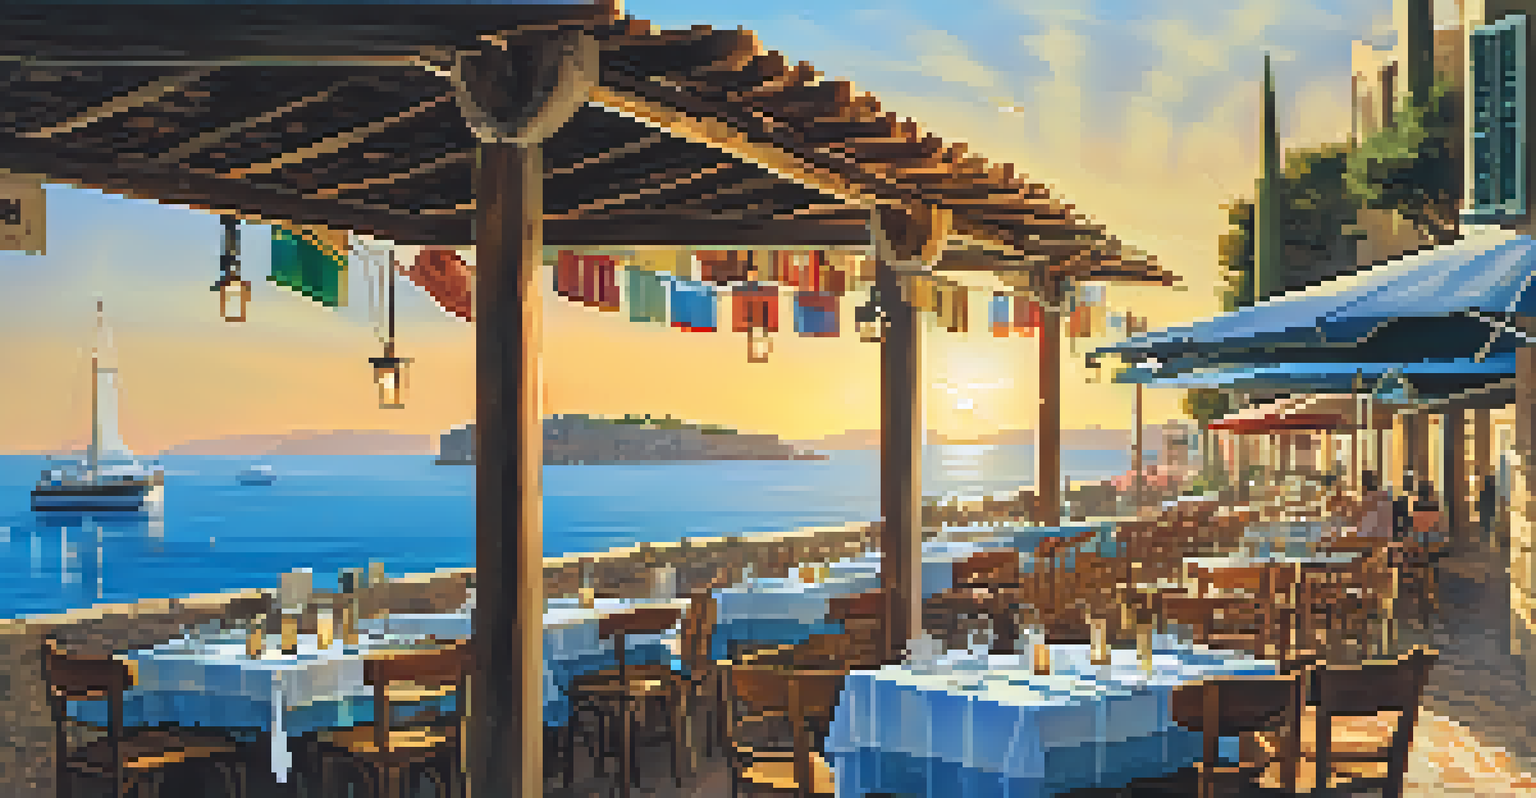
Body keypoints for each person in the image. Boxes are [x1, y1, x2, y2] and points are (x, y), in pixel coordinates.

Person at [1357, 470, 1394, 539]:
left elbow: (1365, 525)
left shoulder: (1368, 499)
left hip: (1372, 538)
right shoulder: (1384, 496)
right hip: (1386, 536)